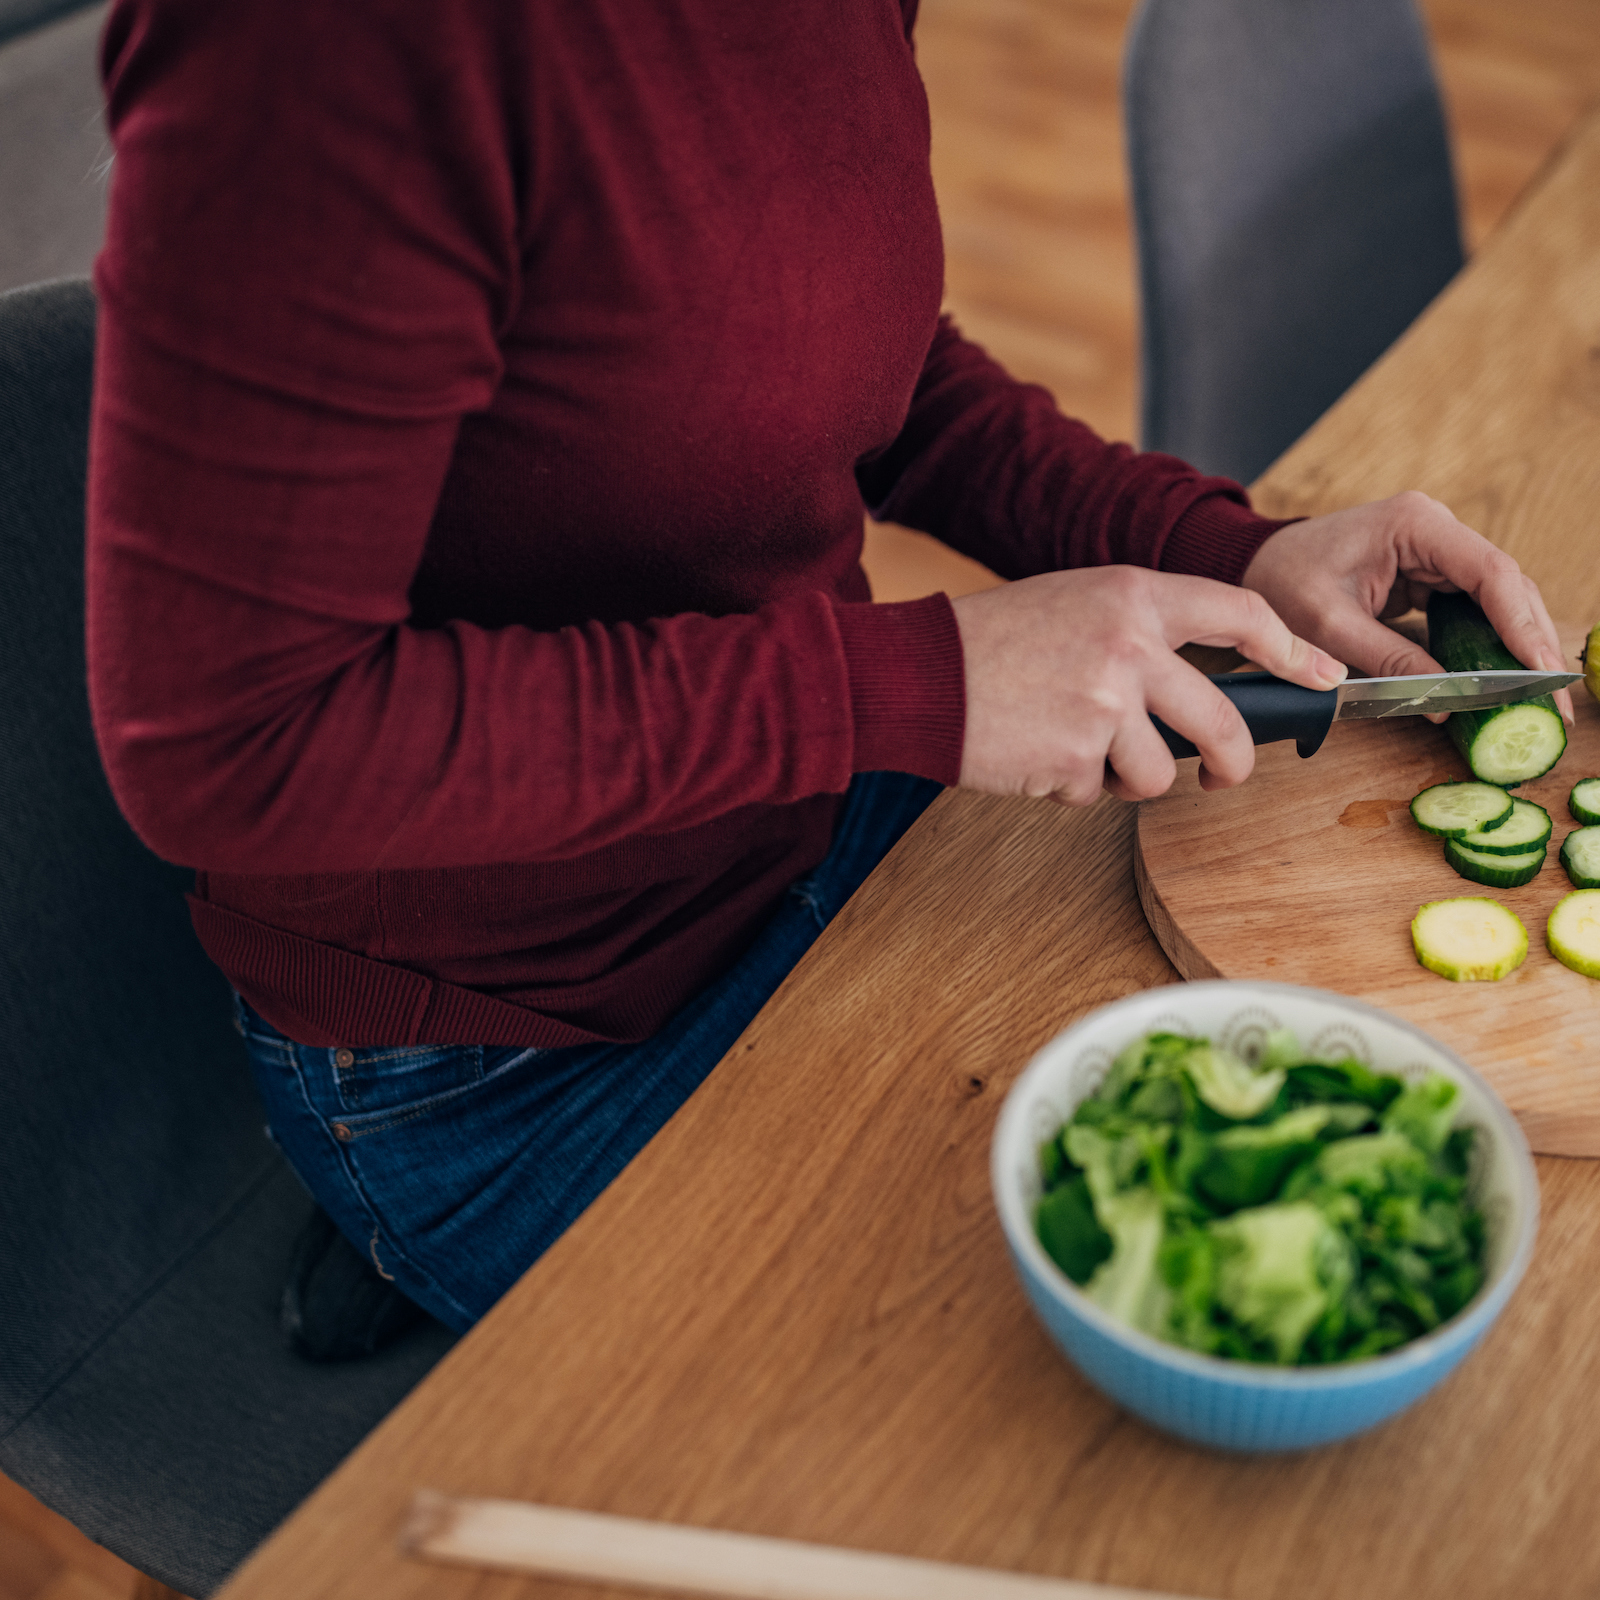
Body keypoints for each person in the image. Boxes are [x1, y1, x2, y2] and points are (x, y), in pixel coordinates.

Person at [87, 0, 1569, 1339]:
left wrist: (1228, 544)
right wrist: (913, 685)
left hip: (800, 838)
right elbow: (235, 747)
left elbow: (832, 353)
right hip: (505, 1046)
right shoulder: (328, 48)